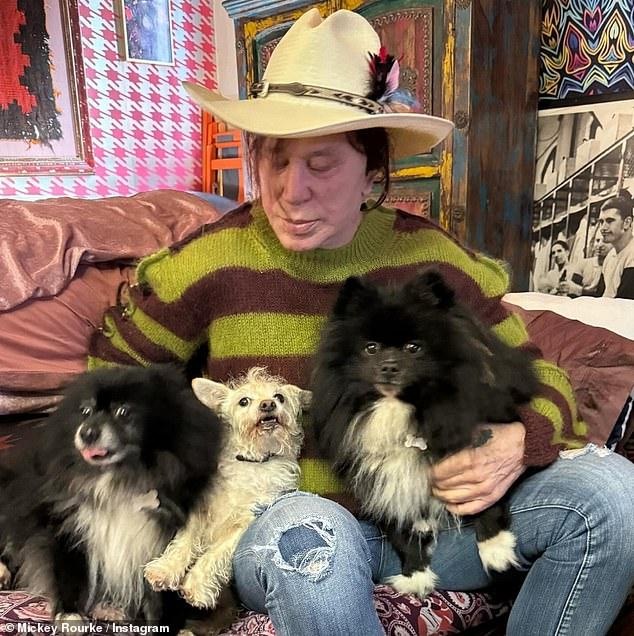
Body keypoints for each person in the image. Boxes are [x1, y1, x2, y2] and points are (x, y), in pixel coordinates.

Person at [89, 9, 634, 636]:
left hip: (436, 529)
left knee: (612, 494)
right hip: (291, 525)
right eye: (275, 160)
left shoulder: (432, 259)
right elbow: (111, 380)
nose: (291, 190)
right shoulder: (211, 260)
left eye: (320, 164)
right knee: (312, 540)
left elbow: (543, 377)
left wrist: (519, 443)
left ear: (373, 171)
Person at [597, 189, 634, 299]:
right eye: (601, 222)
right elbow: (600, 295)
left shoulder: (632, 255)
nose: (603, 228)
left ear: (627, 222)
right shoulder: (610, 255)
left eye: (610, 221)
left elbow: (625, 302)